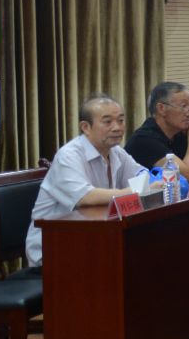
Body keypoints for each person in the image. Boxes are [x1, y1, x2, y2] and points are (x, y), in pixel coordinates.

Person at [25, 95, 151, 267]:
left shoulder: (116, 151)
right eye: (107, 122)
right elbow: (86, 197)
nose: (117, 127)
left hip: (93, 241)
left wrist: (150, 181)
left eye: (121, 120)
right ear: (85, 127)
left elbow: (141, 174)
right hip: (54, 249)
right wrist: (133, 191)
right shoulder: (69, 155)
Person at [125, 81, 189, 183]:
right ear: (161, 108)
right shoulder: (145, 139)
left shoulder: (182, 131)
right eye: (183, 106)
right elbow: (187, 176)